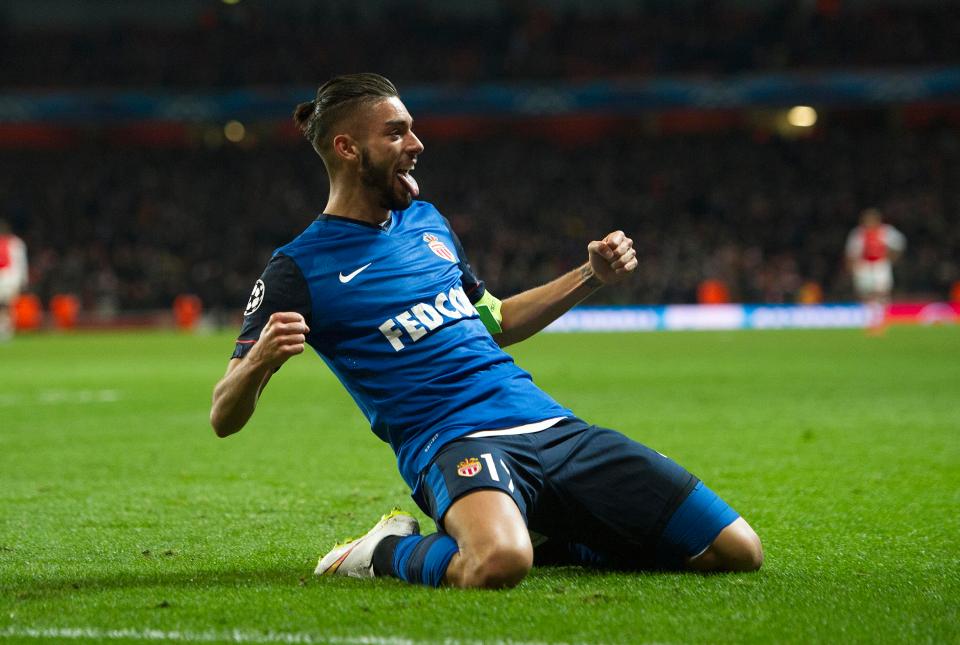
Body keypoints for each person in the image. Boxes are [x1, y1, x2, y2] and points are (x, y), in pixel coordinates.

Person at [210, 73, 762, 589]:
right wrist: (259, 360)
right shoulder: (298, 268)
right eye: (397, 132)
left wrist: (590, 275)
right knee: (498, 562)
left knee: (735, 550)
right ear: (348, 148)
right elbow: (223, 416)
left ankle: (552, 536)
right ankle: (382, 551)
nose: (417, 143)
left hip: (550, 426)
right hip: (452, 440)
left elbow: (496, 322)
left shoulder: (428, 223)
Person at [845, 208, 906, 330]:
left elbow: (900, 244)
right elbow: (851, 252)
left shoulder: (886, 231)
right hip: (864, 265)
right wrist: (853, 267)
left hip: (880, 264)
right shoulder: (858, 233)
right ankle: (869, 319)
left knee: (882, 292)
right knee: (866, 293)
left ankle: (882, 318)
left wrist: (891, 258)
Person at [0, 219, 28, 341]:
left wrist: (22, 280)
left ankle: (5, 330)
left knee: (6, 305)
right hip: (10, 278)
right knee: (6, 306)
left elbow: (20, 263)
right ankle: (6, 330)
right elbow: (22, 263)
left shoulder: (16, 243)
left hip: (9, 277)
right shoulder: (17, 243)